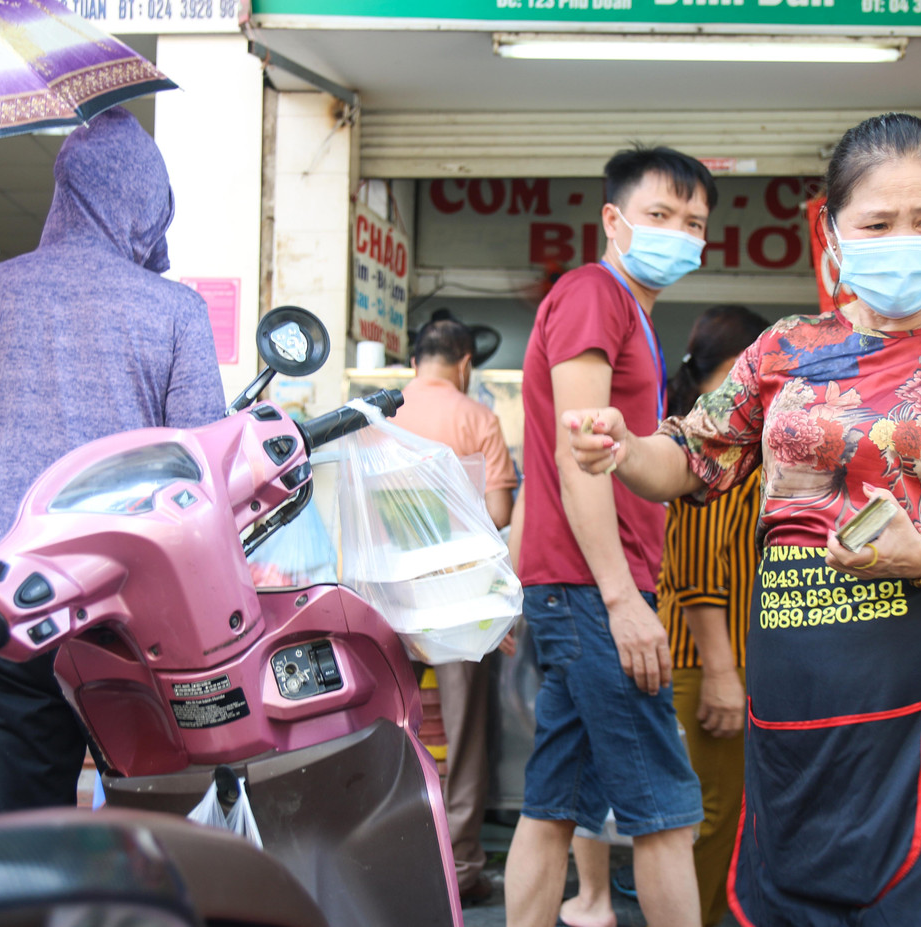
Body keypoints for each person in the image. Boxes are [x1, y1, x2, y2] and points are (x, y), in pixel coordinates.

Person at [564, 113, 921, 927]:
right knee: (790, 876)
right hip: (799, 670)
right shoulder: (785, 351)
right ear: (836, 232)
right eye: (878, 222)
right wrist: (625, 449)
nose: (903, 238)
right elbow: (690, 459)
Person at [0, 108, 226, 814]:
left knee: (27, 842)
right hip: (132, 621)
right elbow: (202, 481)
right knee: (150, 840)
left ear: (65, 191)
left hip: (8, 609)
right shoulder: (175, 312)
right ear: (151, 205)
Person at [505, 146, 716, 927]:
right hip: (598, 588)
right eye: (660, 215)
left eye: (694, 222)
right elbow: (575, 452)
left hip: (575, 585)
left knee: (554, 801)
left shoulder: (630, 313)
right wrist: (623, 598)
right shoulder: (596, 292)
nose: (680, 233)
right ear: (613, 220)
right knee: (664, 807)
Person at [559, 305, 769, 927]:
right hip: (705, 660)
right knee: (703, 816)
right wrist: (723, 674)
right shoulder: (713, 443)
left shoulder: (725, 434)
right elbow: (700, 570)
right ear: (739, 367)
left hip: (719, 656)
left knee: (714, 814)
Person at [390, 317, 518, 905]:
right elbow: (497, 511)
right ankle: (462, 866)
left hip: (383, 598)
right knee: (464, 736)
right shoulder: (477, 417)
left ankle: (387, 852)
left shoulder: (376, 412)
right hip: (458, 599)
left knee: (385, 727)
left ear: (416, 360)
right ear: (465, 362)